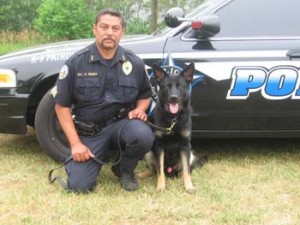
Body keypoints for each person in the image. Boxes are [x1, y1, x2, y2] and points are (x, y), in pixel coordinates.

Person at [52, 8, 154, 192]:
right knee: (79, 187)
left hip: (121, 126)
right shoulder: (76, 63)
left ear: (122, 32)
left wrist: (140, 108)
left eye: (115, 28)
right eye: (104, 27)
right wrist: (76, 144)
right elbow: (62, 106)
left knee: (143, 134)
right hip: (89, 133)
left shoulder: (134, 63)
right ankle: (83, 166)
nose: (109, 32)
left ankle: (124, 169)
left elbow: (145, 94)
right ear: (94, 29)